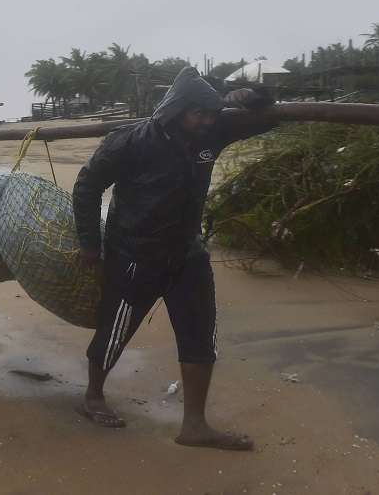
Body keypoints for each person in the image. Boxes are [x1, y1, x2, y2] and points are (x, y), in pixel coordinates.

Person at [72, 66, 275, 449]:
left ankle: (194, 425)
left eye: (211, 113)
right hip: (134, 253)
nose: (206, 120)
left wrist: (253, 96)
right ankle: (93, 397)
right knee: (115, 330)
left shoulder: (213, 133)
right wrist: (89, 244)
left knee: (201, 334)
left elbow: (267, 120)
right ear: (176, 109)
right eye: (199, 112)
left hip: (188, 253)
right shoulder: (129, 141)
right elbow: (86, 187)